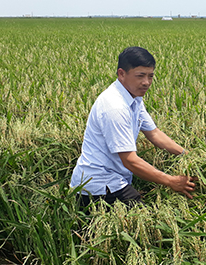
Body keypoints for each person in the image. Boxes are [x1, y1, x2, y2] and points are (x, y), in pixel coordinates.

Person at [70, 46, 197, 209]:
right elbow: (130, 160)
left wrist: (187, 155)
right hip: (99, 187)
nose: (146, 82)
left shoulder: (134, 98)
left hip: (115, 180)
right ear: (121, 74)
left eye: (150, 76)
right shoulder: (114, 107)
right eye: (140, 76)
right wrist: (170, 181)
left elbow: (154, 134)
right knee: (148, 223)